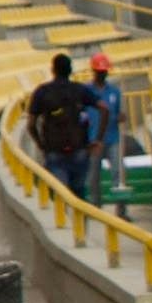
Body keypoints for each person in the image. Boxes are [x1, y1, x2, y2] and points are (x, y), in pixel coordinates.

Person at [26, 50, 101, 198]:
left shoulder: (42, 91)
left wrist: (40, 143)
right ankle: (80, 220)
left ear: (53, 70)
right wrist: (98, 139)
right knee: (78, 194)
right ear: (70, 70)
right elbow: (104, 108)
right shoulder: (79, 89)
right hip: (79, 148)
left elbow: (31, 123)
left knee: (61, 195)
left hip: (53, 149)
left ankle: (65, 219)